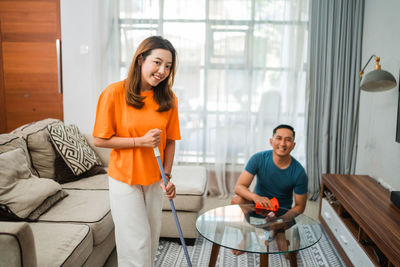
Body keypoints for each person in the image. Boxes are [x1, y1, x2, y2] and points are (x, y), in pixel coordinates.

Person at [92, 36, 181, 267]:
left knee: (151, 239)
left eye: (168, 66)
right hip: (125, 179)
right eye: (157, 62)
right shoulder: (114, 93)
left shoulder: (169, 98)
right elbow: (100, 140)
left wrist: (167, 176)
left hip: (154, 179)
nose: (162, 71)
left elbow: (170, 141)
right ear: (141, 59)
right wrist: (139, 141)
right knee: (136, 242)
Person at [231, 124, 308, 255]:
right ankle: (247, 237)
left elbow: (300, 206)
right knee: (236, 200)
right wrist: (255, 197)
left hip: (281, 213)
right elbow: (239, 187)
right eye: (279, 138)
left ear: (293, 145)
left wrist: (280, 221)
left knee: (289, 255)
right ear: (271, 141)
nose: (283, 143)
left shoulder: (299, 172)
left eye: (288, 140)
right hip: (258, 207)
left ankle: (278, 231)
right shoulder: (258, 158)